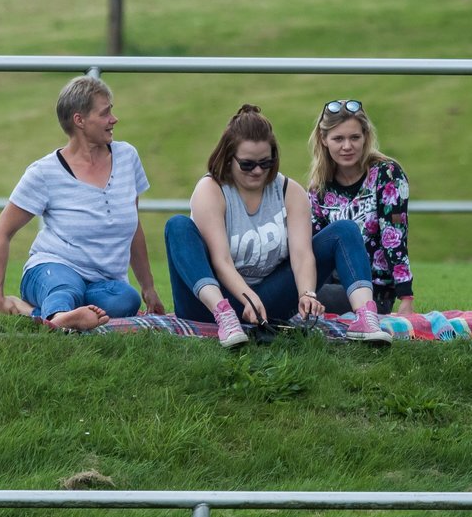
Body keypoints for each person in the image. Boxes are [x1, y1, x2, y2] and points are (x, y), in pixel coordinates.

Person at [164, 104, 393, 347]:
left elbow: (302, 255)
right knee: (177, 226)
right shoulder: (211, 190)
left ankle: (366, 319)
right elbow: (221, 262)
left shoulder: (289, 191)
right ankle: (225, 318)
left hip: (266, 301)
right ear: (228, 159)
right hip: (209, 303)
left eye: (266, 162)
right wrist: (247, 299)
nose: (258, 171)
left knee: (344, 230)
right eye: (247, 164)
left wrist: (307, 294)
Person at [0, 75, 165, 330]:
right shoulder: (44, 172)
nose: (113, 119)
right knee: (64, 288)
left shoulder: (128, 157)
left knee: (126, 299)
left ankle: (39, 314)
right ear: (79, 120)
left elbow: (133, 226)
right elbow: (1, 232)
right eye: (105, 113)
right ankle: (61, 316)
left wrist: (148, 288)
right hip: (51, 268)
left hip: (103, 283)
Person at [307, 99, 414, 315]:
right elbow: (313, 246)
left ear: (365, 137)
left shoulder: (388, 175)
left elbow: (394, 238)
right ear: (324, 139)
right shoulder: (318, 187)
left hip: (372, 291)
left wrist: (406, 297)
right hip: (328, 281)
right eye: (338, 138)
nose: (347, 146)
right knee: (295, 295)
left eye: (354, 137)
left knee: (291, 303)